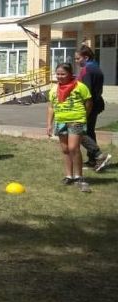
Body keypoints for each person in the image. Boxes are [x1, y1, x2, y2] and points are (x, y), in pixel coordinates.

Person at [47, 62, 92, 193]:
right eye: (58, 74)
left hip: (76, 120)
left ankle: (79, 176)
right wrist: (49, 124)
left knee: (73, 148)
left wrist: (83, 116)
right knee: (65, 149)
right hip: (61, 121)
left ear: (70, 74)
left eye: (63, 74)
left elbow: (89, 102)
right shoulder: (54, 89)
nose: (60, 76)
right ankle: (69, 176)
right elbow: (51, 106)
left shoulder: (80, 86)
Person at [75, 45, 112, 172]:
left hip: (88, 106)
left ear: (85, 57)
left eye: (78, 58)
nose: (76, 61)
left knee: (79, 131)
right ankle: (93, 160)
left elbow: (87, 92)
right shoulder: (96, 67)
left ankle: (99, 156)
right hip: (95, 104)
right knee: (89, 131)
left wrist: (84, 112)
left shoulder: (87, 70)